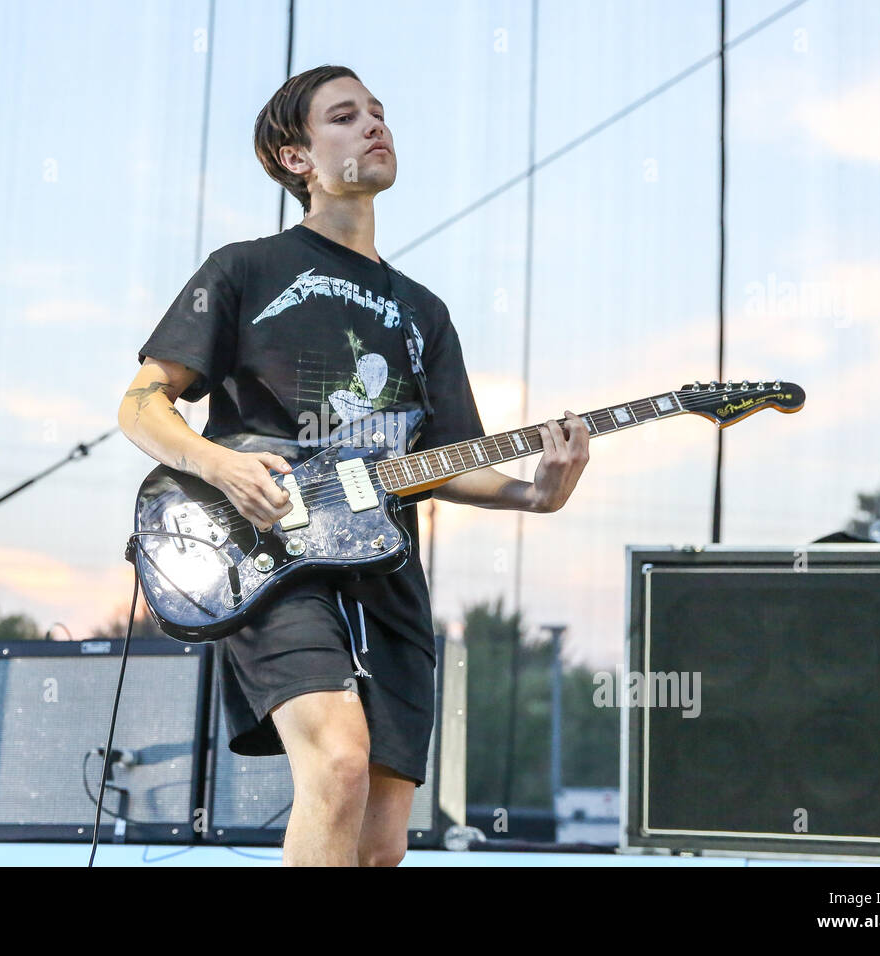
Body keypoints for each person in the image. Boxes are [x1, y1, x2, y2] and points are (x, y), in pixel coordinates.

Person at [118, 65, 589, 866]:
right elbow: (140, 404)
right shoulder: (243, 270)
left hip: (388, 568)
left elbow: (440, 463)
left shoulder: (422, 312)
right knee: (336, 765)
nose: (375, 124)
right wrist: (218, 465)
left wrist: (533, 493)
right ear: (296, 156)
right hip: (269, 550)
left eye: (378, 111)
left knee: (381, 844)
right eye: (345, 116)